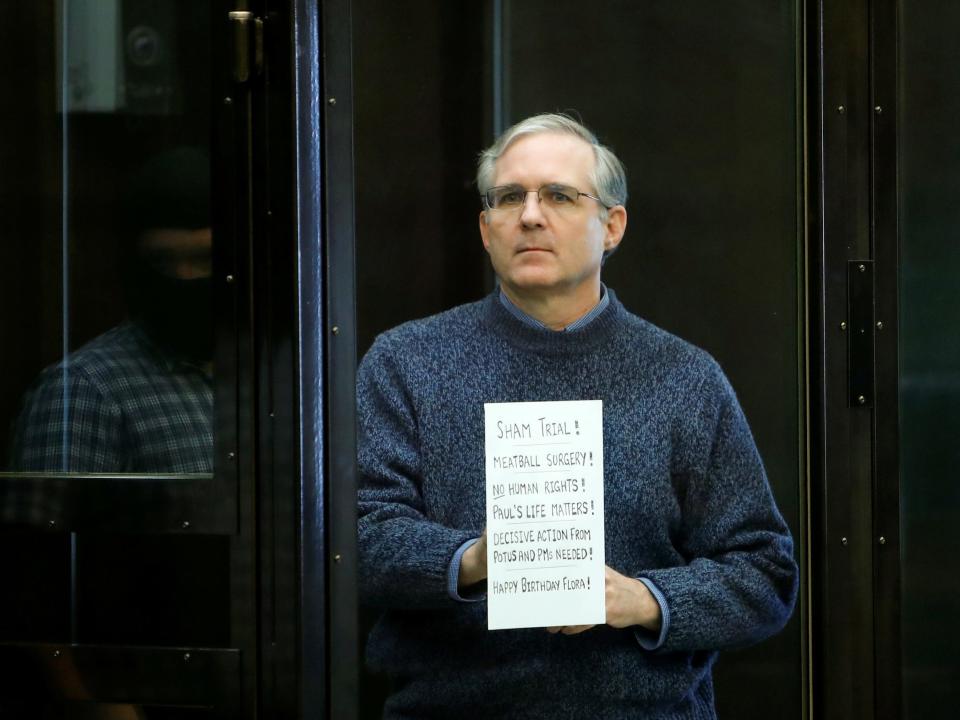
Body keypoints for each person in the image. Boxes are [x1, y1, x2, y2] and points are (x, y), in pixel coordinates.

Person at [356, 113, 798, 719]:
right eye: (510, 198)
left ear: (612, 225)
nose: (530, 215)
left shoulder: (685, 377)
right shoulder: (404, 361)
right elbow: (356, 542)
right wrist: (480, 559)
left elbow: (764, 575)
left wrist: (640, 600)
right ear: (486, 229)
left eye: (560, 196)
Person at [8, 147, 214, 479]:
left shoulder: (271, 378)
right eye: (162, 261)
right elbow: (48, 525)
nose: (184, 279)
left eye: (206, 260)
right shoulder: (83, 392)